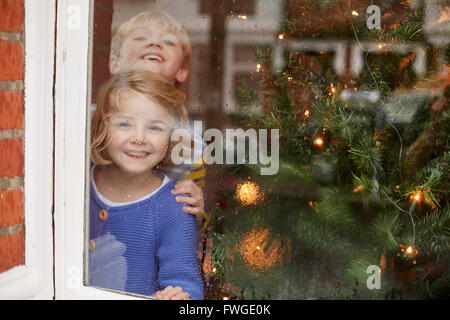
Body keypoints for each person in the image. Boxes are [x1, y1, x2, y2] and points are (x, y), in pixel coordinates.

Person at [89, 70, 203, 300]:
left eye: (154, 127)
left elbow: (186, 283)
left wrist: (179, 296)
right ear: (103, 128)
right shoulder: (75, 181)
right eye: (124, 124)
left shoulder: (174, 207)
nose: (139, 138)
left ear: (171, 137)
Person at [108, 11, 208, 224]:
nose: (154, 43)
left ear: (182, 70)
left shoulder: (191, 142)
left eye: (168, 42)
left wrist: (198, 209)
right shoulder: (89, 118)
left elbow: (197, 220)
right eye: (141, 38)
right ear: (115, 63)